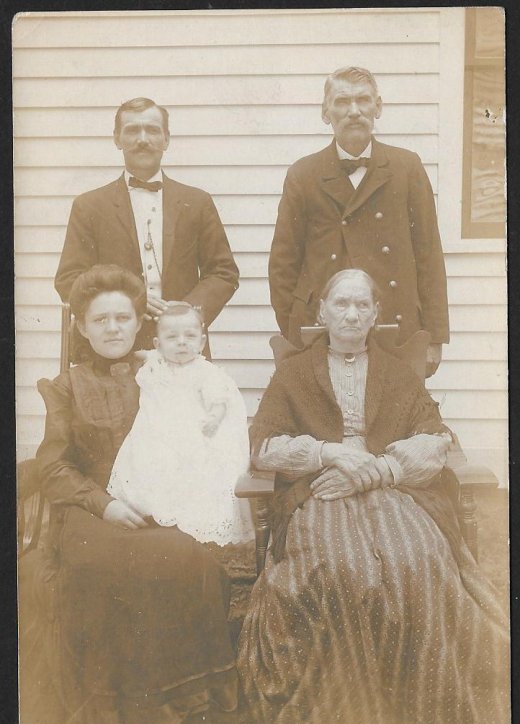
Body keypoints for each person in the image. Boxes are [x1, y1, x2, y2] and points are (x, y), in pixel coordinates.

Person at [237, 270, 509, 724]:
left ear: (376, 314)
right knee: (340, 569)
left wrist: (376, 471)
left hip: (391, 489)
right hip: (319, 492)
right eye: (341, 304)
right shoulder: (294, 373)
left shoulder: (398, 373)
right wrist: (329, 453)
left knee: (417, 563)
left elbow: (435, 437)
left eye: (363, 305)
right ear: (322, 313)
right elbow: (263, 444)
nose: (352, 315)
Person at [35, 265, 240, 724]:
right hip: (91, 509)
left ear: (137, 325)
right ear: (81, 327)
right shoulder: (65, 386)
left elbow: (202, 437)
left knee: (185, 558)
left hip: (160, 499)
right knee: (102, 567)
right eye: (99, 319)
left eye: (122, 318)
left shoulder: (161, 376)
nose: (112, 329)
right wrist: (103, 503)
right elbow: (53, 466)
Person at [268, 66, 448, 377]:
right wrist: (293, 327)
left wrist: (434, 335)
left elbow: (429, 255)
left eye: (363, 100)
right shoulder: (303, 173)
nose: (354, 111)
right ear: (326, 112)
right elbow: (283, 262)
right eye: (342, 102)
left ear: (378, 107)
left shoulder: (407, 167)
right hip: (320, 324)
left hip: (395, 320)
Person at [55, 97, 239, 349]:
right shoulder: (89, 206)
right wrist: (126, 303)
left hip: (181, 344)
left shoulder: (197, 202)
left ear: (166, 139)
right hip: (113, 348)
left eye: (152, 130)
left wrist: (186, 311)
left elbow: (223, 273)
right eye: (132, 130)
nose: (143, 139)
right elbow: (69, 279)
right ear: (117, 139)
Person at [107, 302, 254, 543]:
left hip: (192, 431)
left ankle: (187, 521)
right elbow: (142, 355)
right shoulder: (157, 362)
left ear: (202, 342)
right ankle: (156, 513)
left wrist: (214, 419)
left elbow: (219, 400)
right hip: (157, 429)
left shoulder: (205, 372)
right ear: (158, 343)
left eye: (190, 336)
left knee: (193, 472)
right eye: (172, 337)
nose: (182, 342)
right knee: (149, 464)